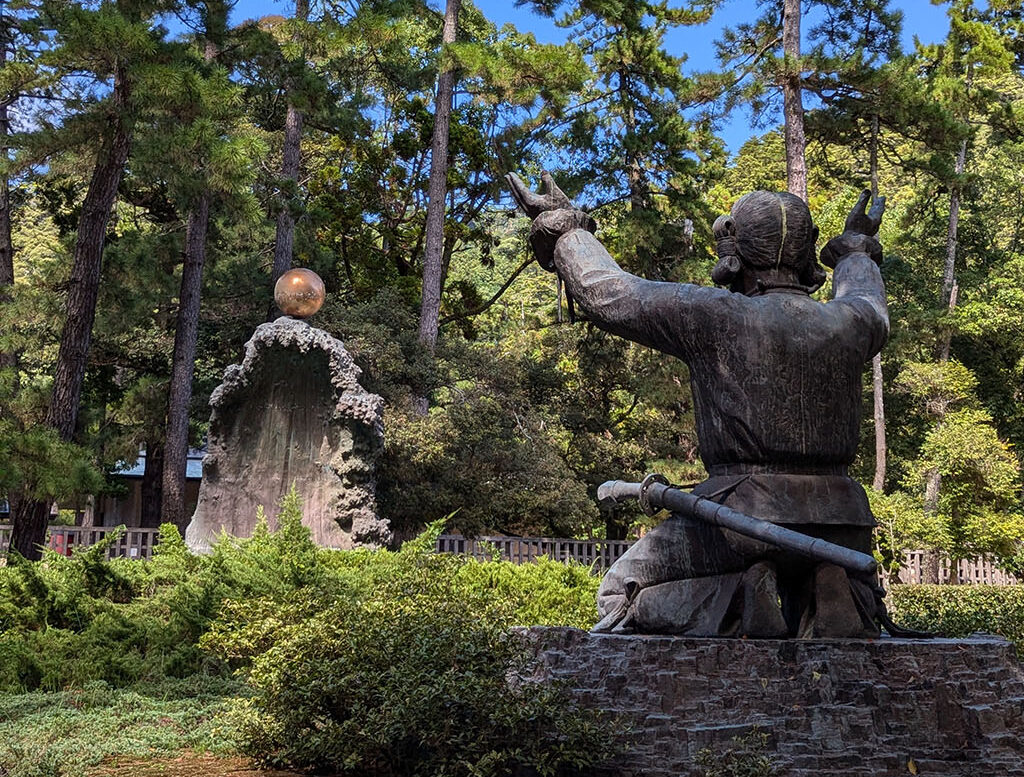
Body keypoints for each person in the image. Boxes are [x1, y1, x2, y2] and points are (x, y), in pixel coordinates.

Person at [507, 173, 889, 638]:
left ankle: (737, 598)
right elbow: (868, 297)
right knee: (844, 580)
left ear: (737, 249)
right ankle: (829, 589)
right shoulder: (851, 323)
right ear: (807, 250)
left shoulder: (713, 315)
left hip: (741, 520)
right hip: (842, 522)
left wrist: (564, 227)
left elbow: (610, 292)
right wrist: (853, 247)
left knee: (617, 592)